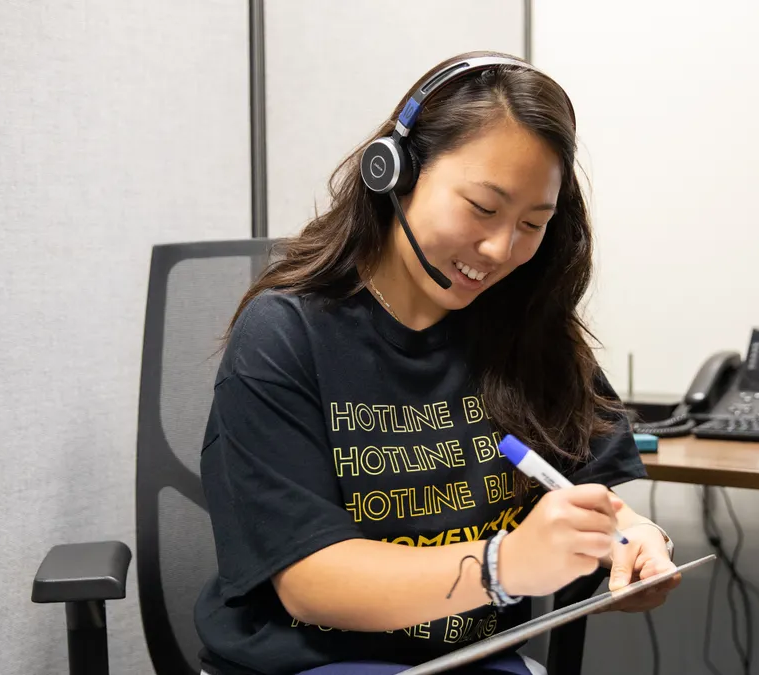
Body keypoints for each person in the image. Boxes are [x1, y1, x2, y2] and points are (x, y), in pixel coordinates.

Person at [194, 50, 680, 675]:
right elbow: (311, 581)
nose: (502, 249)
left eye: (533, 224)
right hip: (305, 663)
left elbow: (593, 495)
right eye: (482, 208)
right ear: (393, 172)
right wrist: (503, 566)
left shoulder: (531, 332)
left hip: (474, 662)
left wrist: (634, 540)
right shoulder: (286, 334)